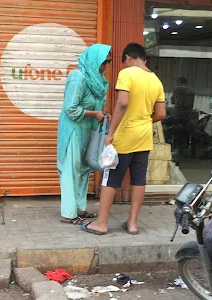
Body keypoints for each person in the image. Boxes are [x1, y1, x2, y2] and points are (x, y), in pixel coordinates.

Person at [81, 43, 166, 235]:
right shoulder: (156, 80)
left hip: (125, 136)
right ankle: (132, 223)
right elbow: (160, 114)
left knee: (111, 179)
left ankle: (101, 223)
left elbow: (122, 103)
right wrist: (144, 121)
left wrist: (111, 133)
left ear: (127, 57)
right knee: (138, 180)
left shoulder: (127, 74)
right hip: (144, 137)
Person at [57, 44, 112, 225]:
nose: (105, 67)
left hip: (87, 129)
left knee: (83, 170)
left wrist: (104, 113)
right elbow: (70, 108)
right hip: (73, 129)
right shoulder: (78, 77)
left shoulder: (98, 80)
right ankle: (68, 213)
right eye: (103, 62)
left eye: (108, 63)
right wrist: (93, 114)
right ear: (94, 60)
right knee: (71, 170)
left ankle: (79, 208)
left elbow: (99, 103)